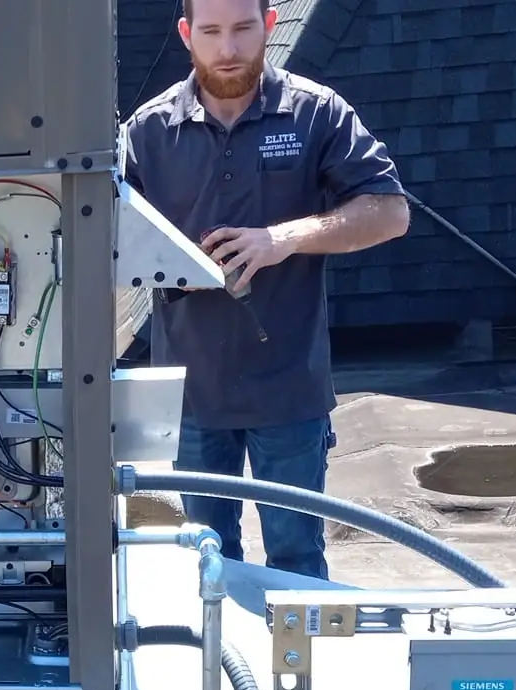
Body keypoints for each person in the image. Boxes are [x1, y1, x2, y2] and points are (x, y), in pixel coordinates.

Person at [120, 0, 410, 580]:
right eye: (211, 32)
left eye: (243, 29)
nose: (227, 49)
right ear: (186, 34)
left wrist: (282, 238)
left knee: (297, 560)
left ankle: (297, 674)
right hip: (191, 399)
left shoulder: (316, 113)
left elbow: (390, 212)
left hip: (289, 392)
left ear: (270, 25)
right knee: (205, 566)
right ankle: (222, 674)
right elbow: (94, 236)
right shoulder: (148, 131)